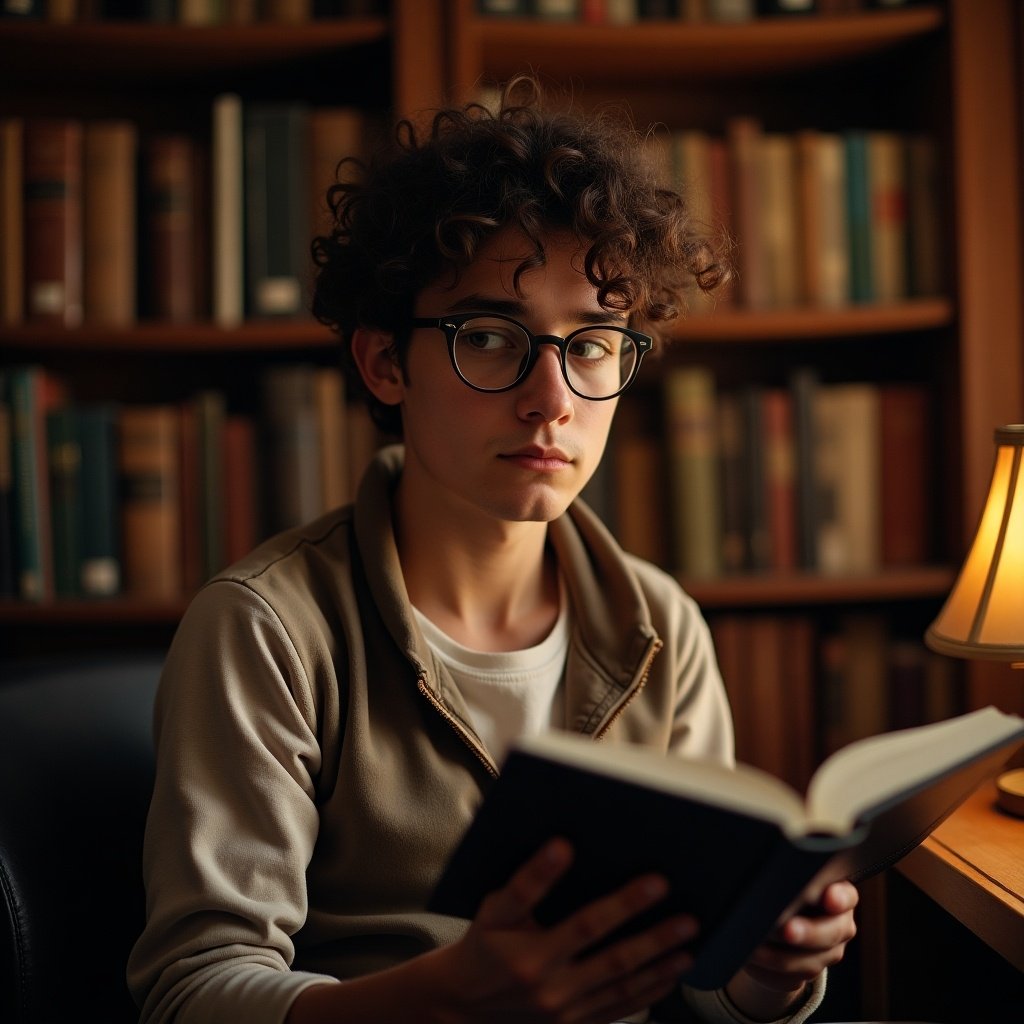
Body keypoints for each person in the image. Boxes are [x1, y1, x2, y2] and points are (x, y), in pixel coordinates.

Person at [127, 77, 857, 1024]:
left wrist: (770, 968)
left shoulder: (657, 625)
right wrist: (452, 995)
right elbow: (191, 993)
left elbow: (703, 988)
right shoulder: (269, 627)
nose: (552, 397)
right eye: (488, 336)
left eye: (592, 342)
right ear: (386, 363)